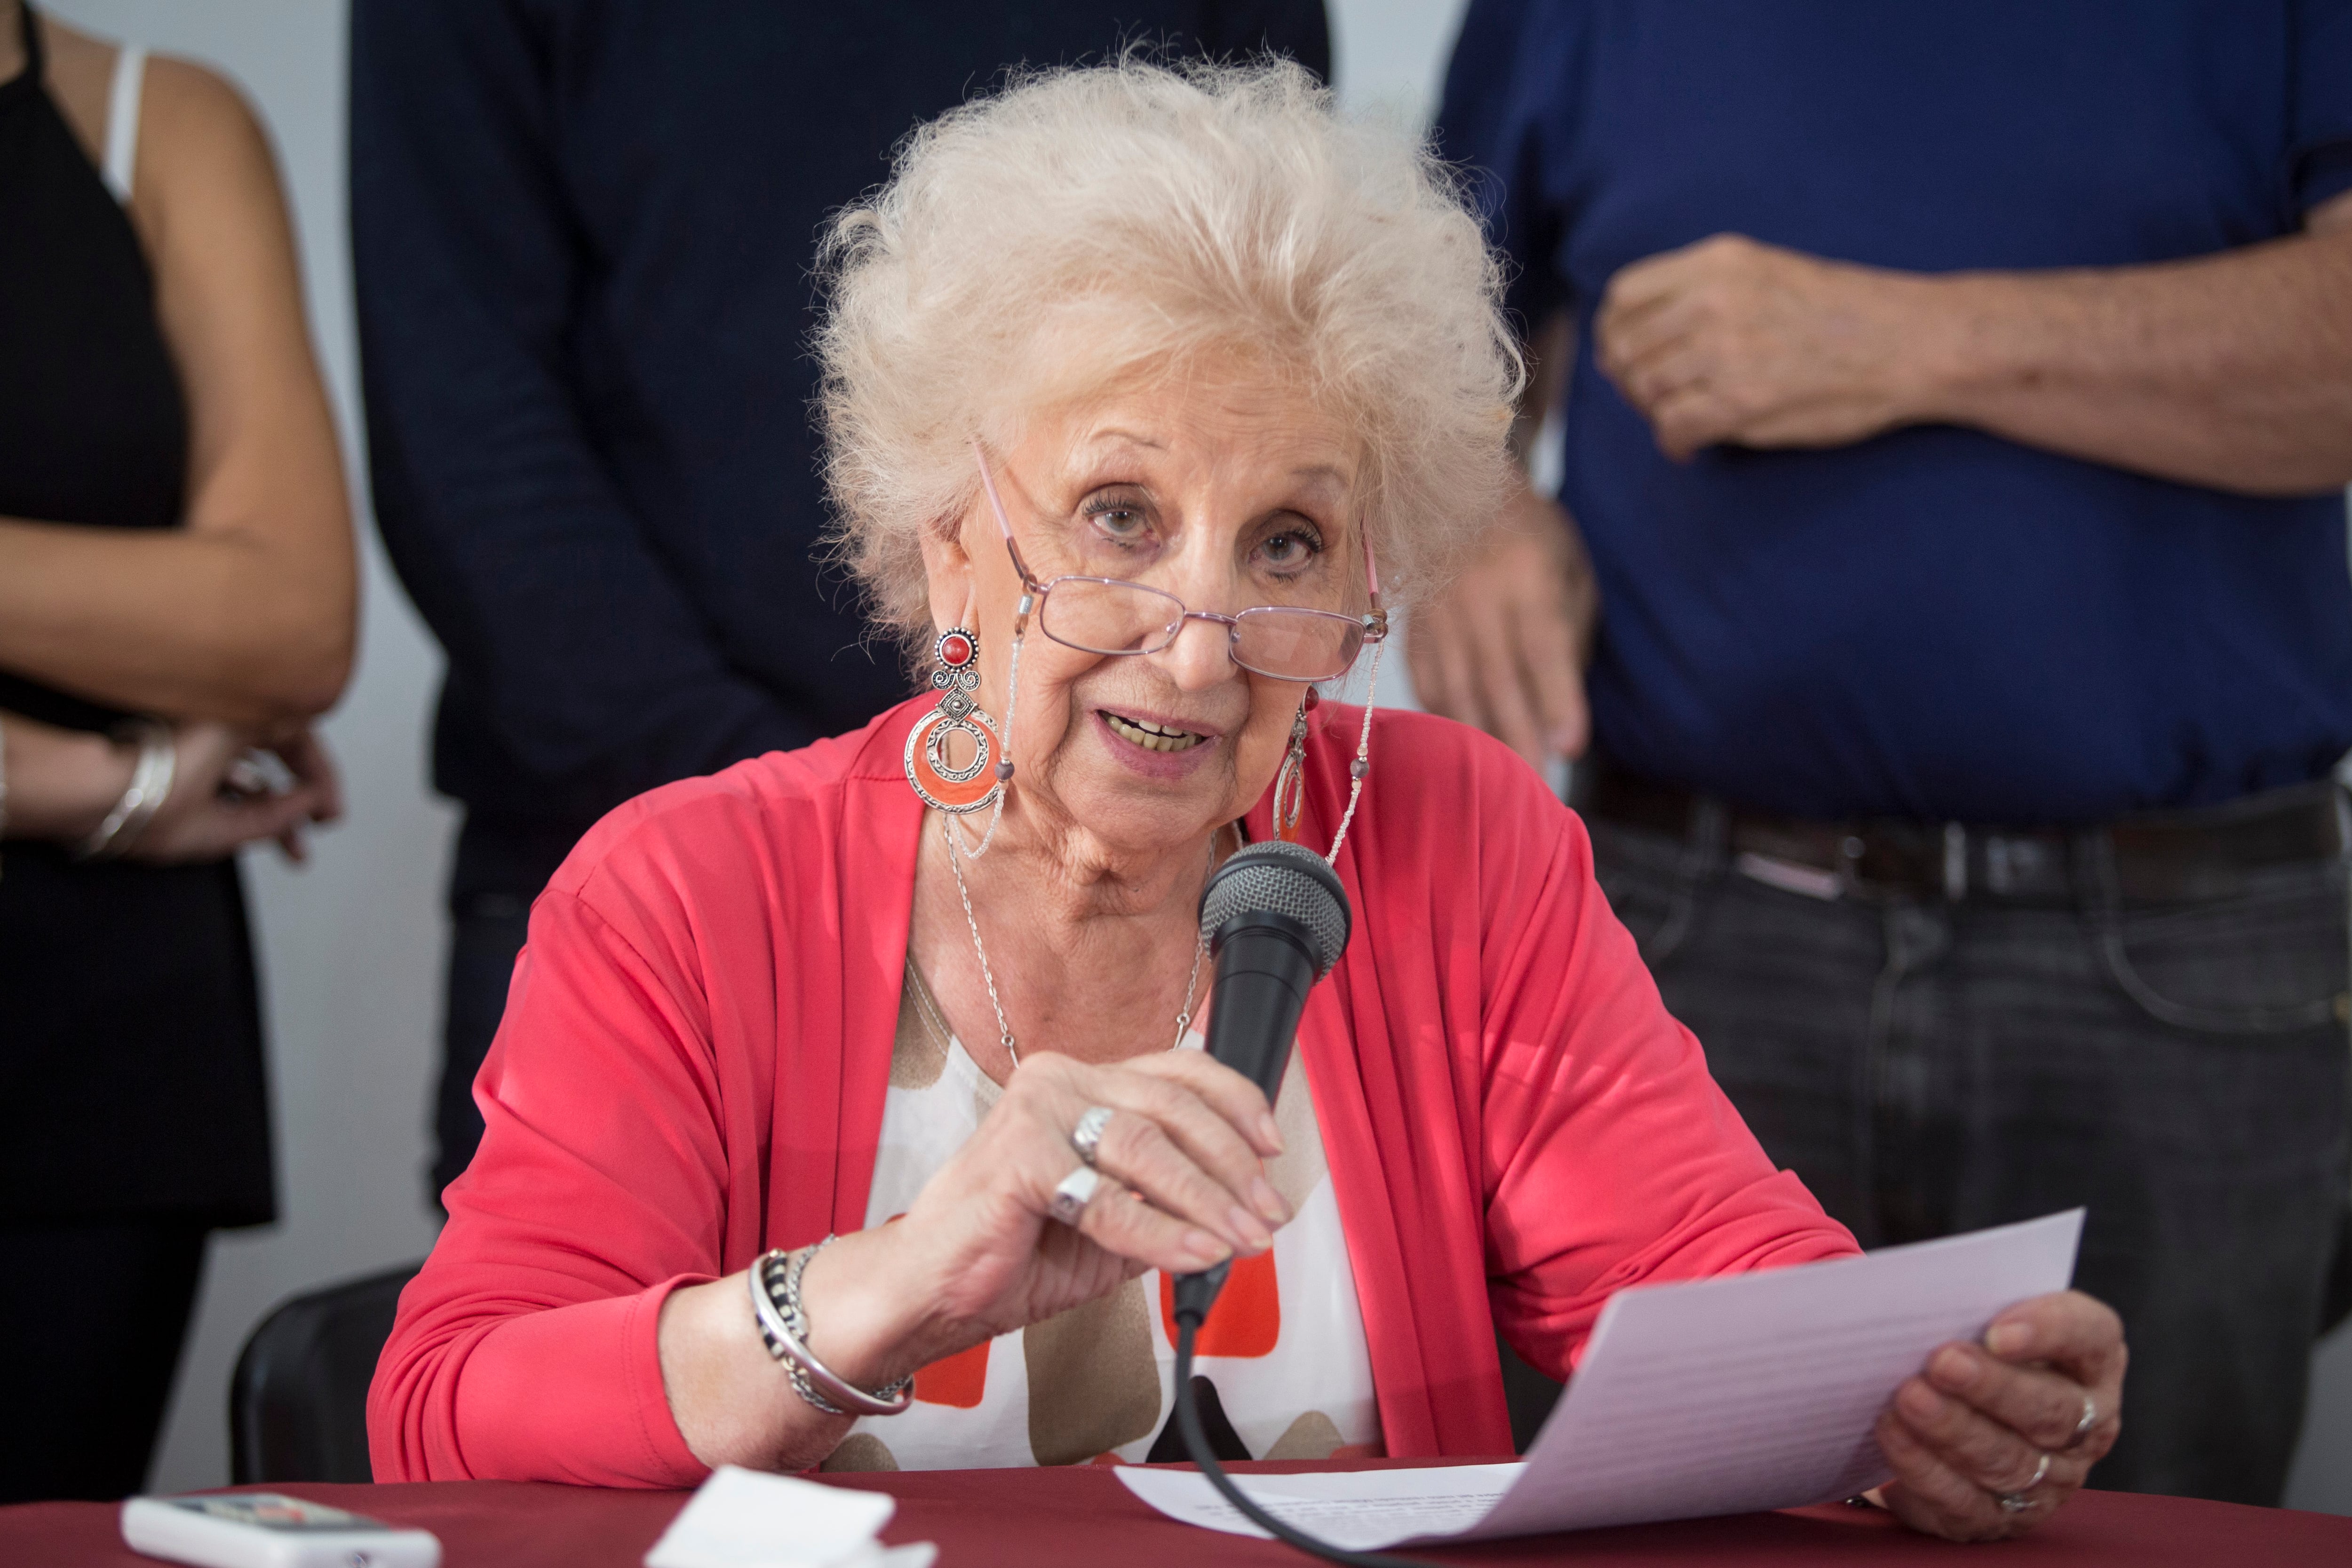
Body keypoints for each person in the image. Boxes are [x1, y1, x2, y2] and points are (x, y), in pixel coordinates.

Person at [371, 61, 2127, 1542]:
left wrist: (1925, 1389)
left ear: (1368, 582)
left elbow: (1714, 1282)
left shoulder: (1456, 840)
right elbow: (446, 1418)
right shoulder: (689, 888)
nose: (1204, 648)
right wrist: (905, 1277)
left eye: (1287, 541)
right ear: (949, 537)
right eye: (1120, 516)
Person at [1420, 0, 2352, 1506]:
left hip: (2175, 960)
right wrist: (1472, 515)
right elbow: (1429, 344)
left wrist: (1904, 338)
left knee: (2143, 1517)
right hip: (1668, 932)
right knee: (1631, 1526)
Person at [348, 0, 1334, 1204]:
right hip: (631, 829)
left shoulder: (1453, 858)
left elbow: (1279, 349)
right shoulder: (654, 899)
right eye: (1119, 516)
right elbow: (463, 421)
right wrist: (816, 838)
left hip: (1146, 857)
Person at [0, 1, 352, 1502]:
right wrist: (87, 776)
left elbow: (290, 616)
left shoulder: (159, 123)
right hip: (120, 848)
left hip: (85, 1053)